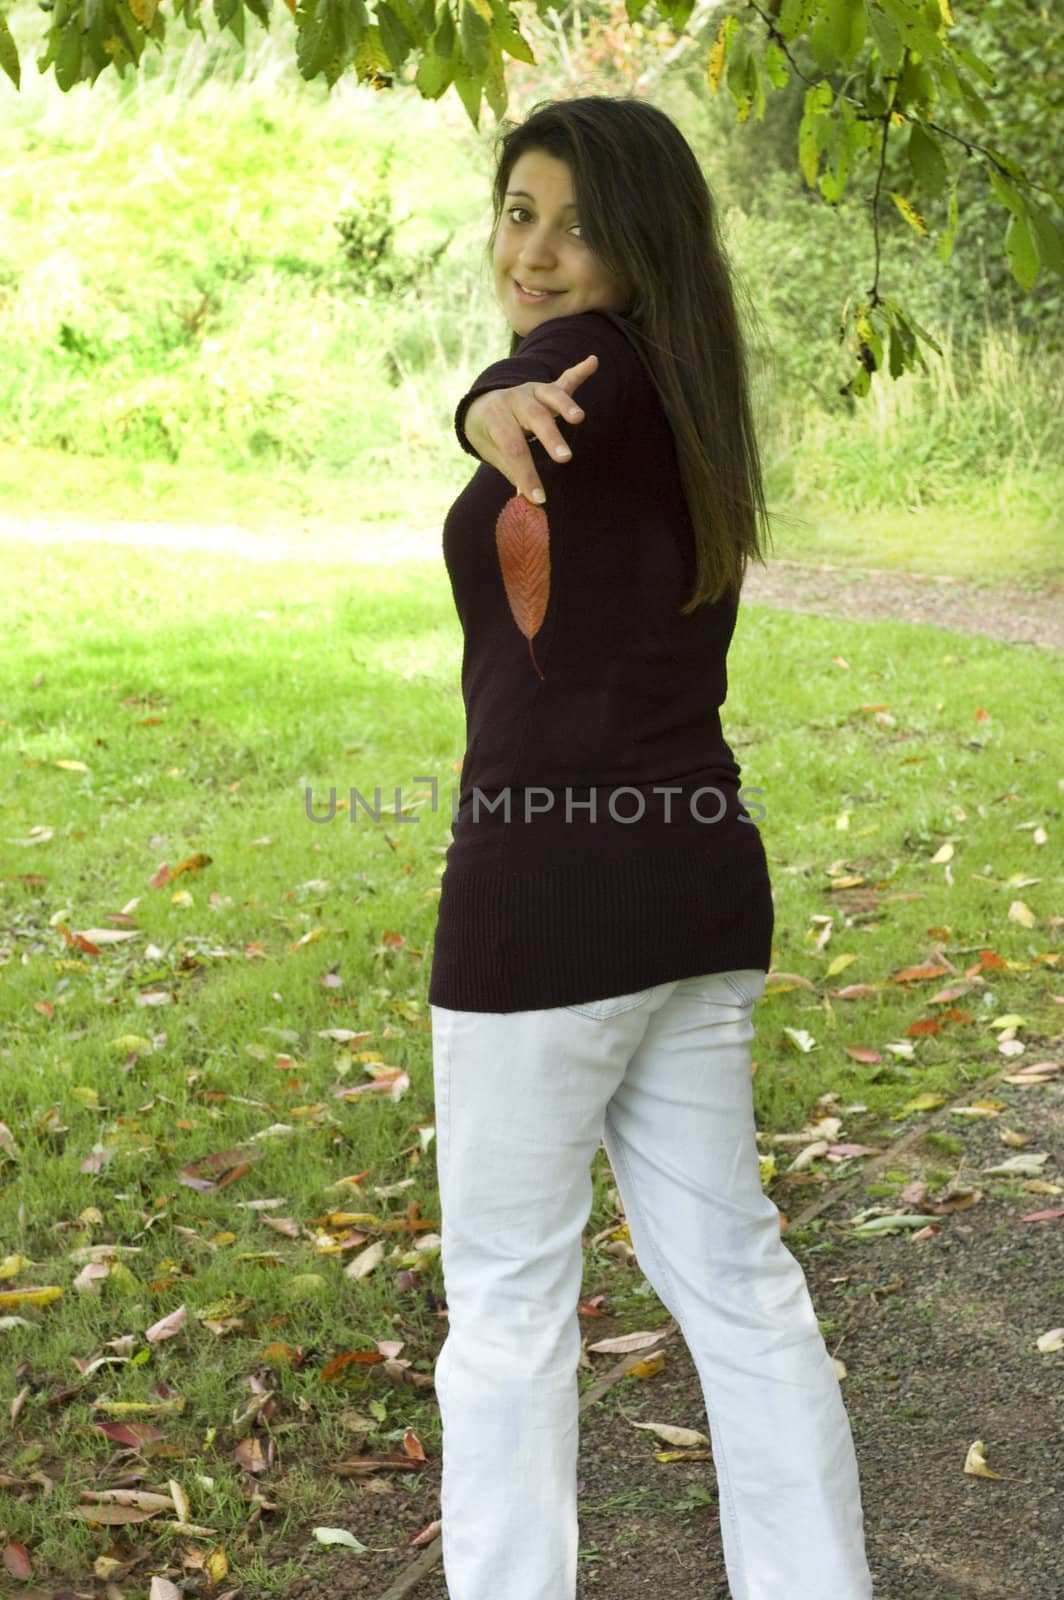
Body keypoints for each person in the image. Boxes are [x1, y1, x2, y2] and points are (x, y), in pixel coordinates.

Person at [427, 94, 874, 1600]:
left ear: (642, 246)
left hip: (546, 905)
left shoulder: (592, 376)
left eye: (577, 224)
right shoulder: (685, 384)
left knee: (503, 1305)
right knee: (740, 1285)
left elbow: (536, 390)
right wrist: (490, 396)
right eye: (518, 211)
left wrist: (488, 402)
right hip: (693, 891)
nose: (537, 251)